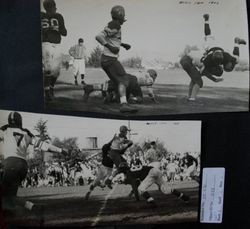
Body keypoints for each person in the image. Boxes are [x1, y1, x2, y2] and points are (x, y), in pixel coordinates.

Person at [0, 112, 67, 214]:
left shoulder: (4, 130)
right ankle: (32, 208)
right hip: (23, 165)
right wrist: (61, 150)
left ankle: (28, 209)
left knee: (6, 195)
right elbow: (44, 146)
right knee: (10, 195)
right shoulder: (27, 133)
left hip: (11, 163)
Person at [180, 14, 246, 101]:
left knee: (196, 78)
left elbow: (199, 75)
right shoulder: (208, 62)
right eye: (215, 71)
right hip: (188, 60)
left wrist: (206, 20)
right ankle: (192, 98)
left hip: (192, 57)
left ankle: (190, 97)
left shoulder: (224, 57)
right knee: (199, 81)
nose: (214, 72)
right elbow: (203, 72)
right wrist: (214, 79)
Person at [95, 5, 138, 113]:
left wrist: (122, 44)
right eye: (123, 16)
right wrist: (110, 47)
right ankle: (123, 104)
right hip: (110, 59)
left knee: (116, 82)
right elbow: (99, 36)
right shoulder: (116, 24)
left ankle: (110, 97)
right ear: (120, 15)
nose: (124, 19)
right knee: (123, 79)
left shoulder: (113, 24)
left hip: (105, 59)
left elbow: (111, 38)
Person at [82, 69, 158, 104]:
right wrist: (154, 100)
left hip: (124, 77)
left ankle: (91, 87)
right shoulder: (150, 78)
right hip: (133, 82)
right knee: (139, 98)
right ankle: (132, 98)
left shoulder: (141, 71)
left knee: (108, 86)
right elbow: (150, 93)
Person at [41, 0, 67, 101]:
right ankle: (47, 91)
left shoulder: (59, 16)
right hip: (46, 43)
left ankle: (51, 87)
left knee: (56, 72)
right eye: (53, 6)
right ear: (48, 7)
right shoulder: (41, 16)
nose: (55, 8)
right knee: (48, 68)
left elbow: (65, 32)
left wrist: (57, 29)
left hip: (57, 44)